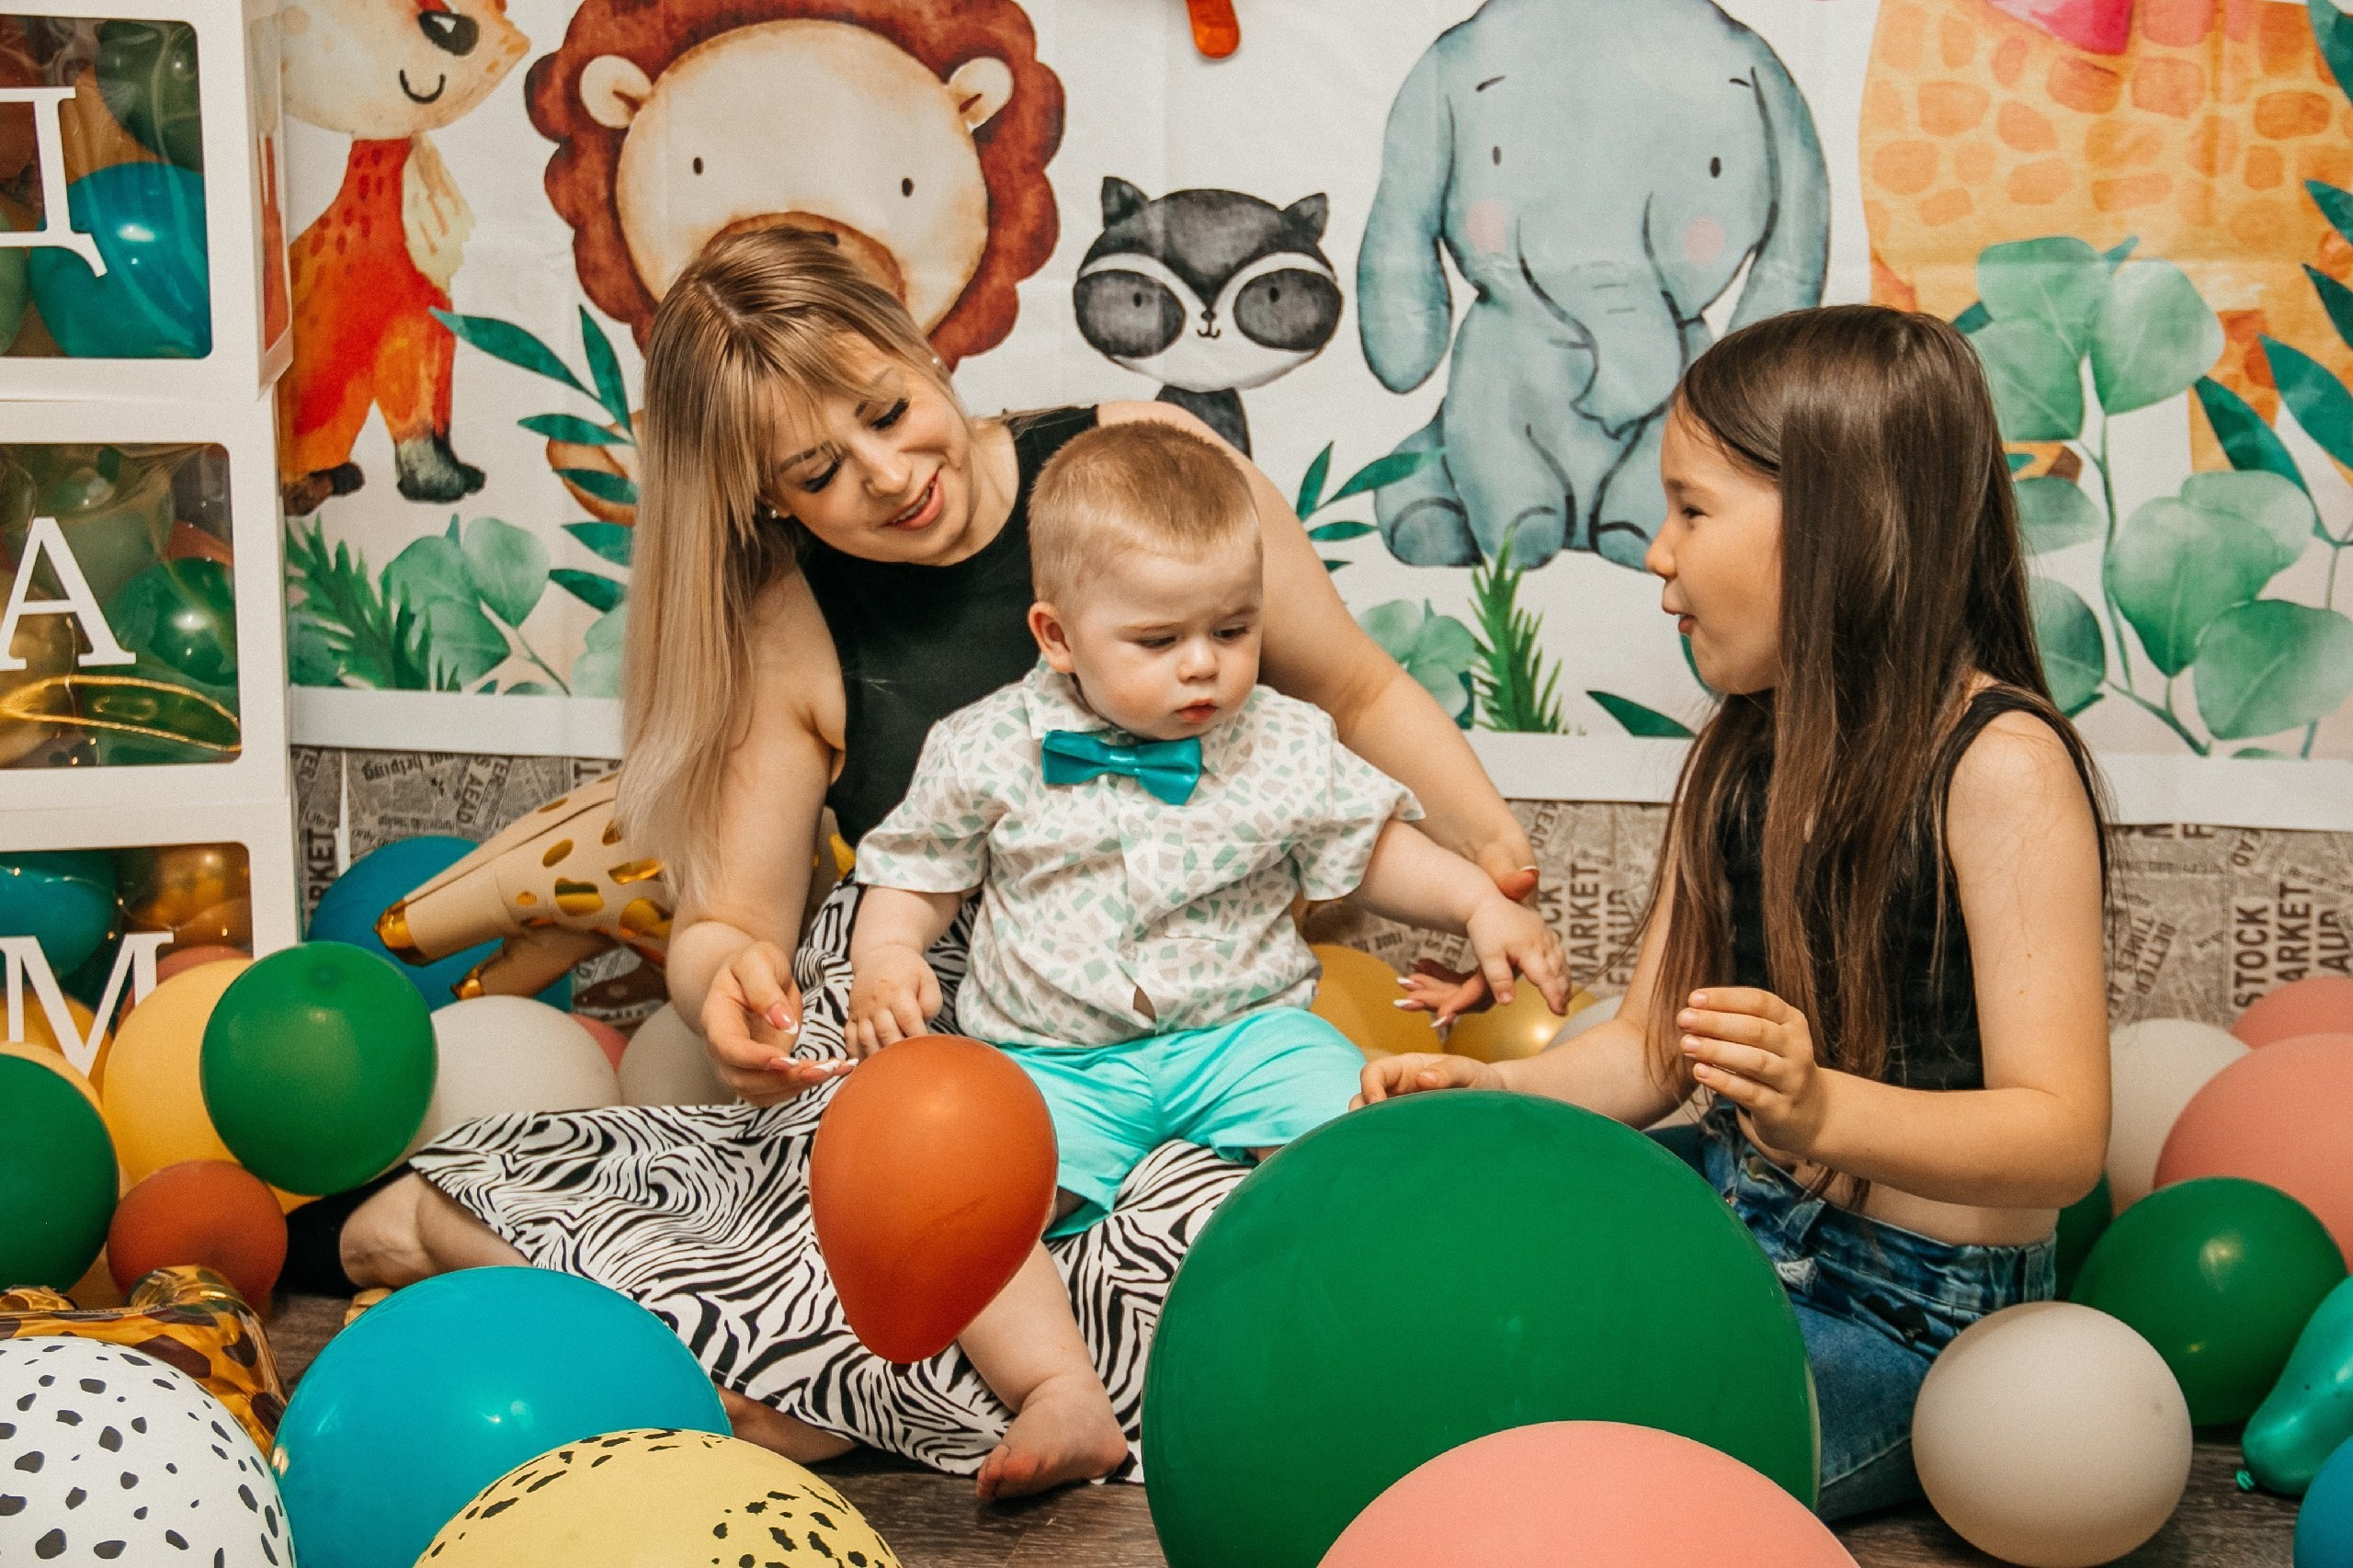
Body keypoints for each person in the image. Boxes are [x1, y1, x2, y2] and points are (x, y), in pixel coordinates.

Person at [313, 226, 1544, 1488]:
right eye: (821, 471)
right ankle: (730, 1337)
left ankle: (799, 1387)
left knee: (1261, 1247)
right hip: (926, 1001)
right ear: (767, 499)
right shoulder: (791, 611)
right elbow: (733, 914)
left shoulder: (1141, 461)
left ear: (922, 343)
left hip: (1191, 990)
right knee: (917, 1220)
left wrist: (1487, 843)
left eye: (892, 410)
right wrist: (724, 983)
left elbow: (1355, 683)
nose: (892, 473)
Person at [1358, 305, 2112, 1520]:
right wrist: (1491, 1099)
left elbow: (2064, 1136)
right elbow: (1648, 1048)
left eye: (1692, 509)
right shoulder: (1739, 751)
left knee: (1599, 1475)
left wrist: (1824, 1109)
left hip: (1909, 1310)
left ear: (1837, 525)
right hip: (1725, 1215)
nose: (1657, 551)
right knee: (1460, 1292)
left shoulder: (2001, 764)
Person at [844, 421, 1570, 1496]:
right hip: (1051, 1055)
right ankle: (1059, 1390)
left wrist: (1476, 902)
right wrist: (887, 952)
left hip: (1244, 1032)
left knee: (1358, 1152)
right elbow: (916, 867)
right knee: (966, 1202)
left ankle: (1361, 1359)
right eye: (1158, 640)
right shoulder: (984, 745)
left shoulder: (1277, 737)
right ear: (1056, 633)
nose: (1203, 665)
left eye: (1232, 629)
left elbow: (1369, 849)